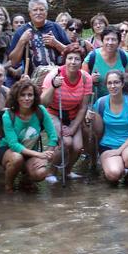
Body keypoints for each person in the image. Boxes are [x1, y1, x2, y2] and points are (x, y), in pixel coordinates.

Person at [0, 79, 59, 192]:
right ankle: (8, 186)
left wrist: (47, 156)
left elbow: (53, 136)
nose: (26, 98)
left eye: (30, 95)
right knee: (17, 158)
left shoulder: (40, 111)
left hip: (30, 152)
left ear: (35, 97)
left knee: (41, 173)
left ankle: (25, 180)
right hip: (8, 150)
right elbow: (14, 145)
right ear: (16, 97)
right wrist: (39, 155)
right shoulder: (8, 115)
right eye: (23, 95)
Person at [41, 44, 92, 178]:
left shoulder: (86, 78)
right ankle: (51, 171)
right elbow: (43, 102)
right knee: (66, 142)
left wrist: (74, 127)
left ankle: (67, 171)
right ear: (65, 59)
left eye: (77, 59)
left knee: (77, 147)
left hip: (73, 115)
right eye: (70, 58)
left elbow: (83, 107)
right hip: (53, 112)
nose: (73, 62)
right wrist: (53, 85)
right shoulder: (54, 74)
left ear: (81, 61)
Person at [87, 70, 128, 184]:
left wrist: (119, 151)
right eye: (109, 83)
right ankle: (117, 167)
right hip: (108, 146)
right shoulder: (100, 103)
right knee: (114, 174)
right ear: (106, 85)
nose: (113, 86)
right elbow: (97, 132)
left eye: (116, 82)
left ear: (122, 84)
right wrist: (89, 120)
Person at [8, 0, 71, 76]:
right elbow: (13, 62)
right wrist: (22, 41)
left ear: (46, 12)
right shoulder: (21, 31)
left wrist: (56, 43)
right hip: (32, 80)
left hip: (57, 78)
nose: (38, 13)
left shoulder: (56, 27)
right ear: (30, 13)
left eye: (41, 9)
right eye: (35, 10)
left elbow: (71, 53)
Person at [83, 26, 128, 100]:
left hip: (118, 102)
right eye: (107, 39)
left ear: (119, 41)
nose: (110, 43)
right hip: (95, 103)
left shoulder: (124, 57)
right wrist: (91, 79)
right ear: (102, 40)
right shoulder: (92, 57)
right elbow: (82, 81)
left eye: (114, 39)